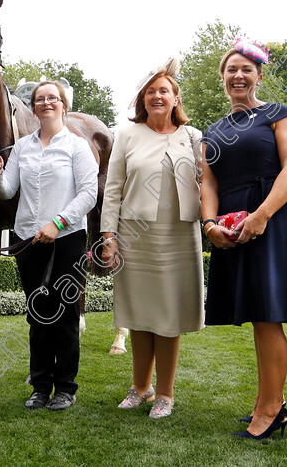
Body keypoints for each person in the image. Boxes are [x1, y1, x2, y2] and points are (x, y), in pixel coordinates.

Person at [200, 39, 287, 440]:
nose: (238, 75)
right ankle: (269, 402)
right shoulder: (213, 130)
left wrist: (261, 216)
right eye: (231, 70)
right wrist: (209, 225)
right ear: (222, 77)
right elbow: (207, 182)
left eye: (246, 69)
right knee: (259, 315)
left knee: (268, 315)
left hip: (274, 219)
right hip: (231, 226)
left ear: (259, 75)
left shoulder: (278, 114)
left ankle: (271, 410)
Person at [100, 59, 204, 419]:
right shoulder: (127, 136)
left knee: (168, 315)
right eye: (151, 91)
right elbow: (112, 189)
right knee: (139, 313)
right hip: (134, 234)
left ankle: (164, 394)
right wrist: (108, 235)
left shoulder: (193, 137)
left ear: (176, 98)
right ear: (142, 100)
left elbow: (207, 185)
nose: (157, 96)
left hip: (179, 234)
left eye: (164, 91)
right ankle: (139, 387)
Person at [0, 81, 98, 410]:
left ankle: (65, 387)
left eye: (53, 98)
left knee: (63, 315)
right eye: (39, 99)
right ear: (33, 107)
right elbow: (7, 191)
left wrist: (58, 222)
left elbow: (88, 194)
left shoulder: (77, 147)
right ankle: (39, 385)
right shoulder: (22, 147)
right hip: (28, 239)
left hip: (66, 239)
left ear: (63, 104)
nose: (46, 103)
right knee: (37, 315)